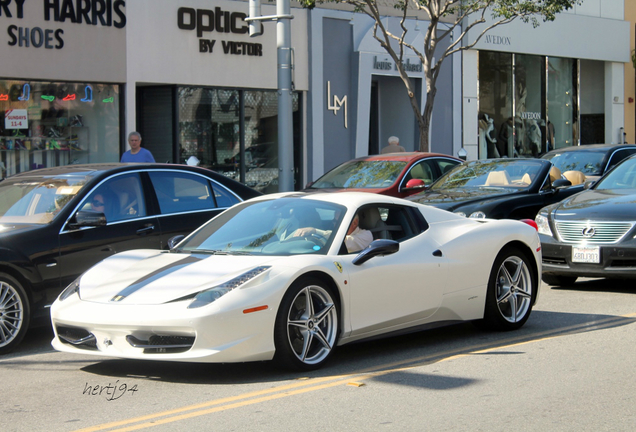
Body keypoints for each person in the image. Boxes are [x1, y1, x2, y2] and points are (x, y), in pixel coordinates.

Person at [293, 213, 373, 253]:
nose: (335, 225)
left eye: (339, 221)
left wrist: (315, 230)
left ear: (354, 223)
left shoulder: (366, 235)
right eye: (334, 221)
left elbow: (343, 241)